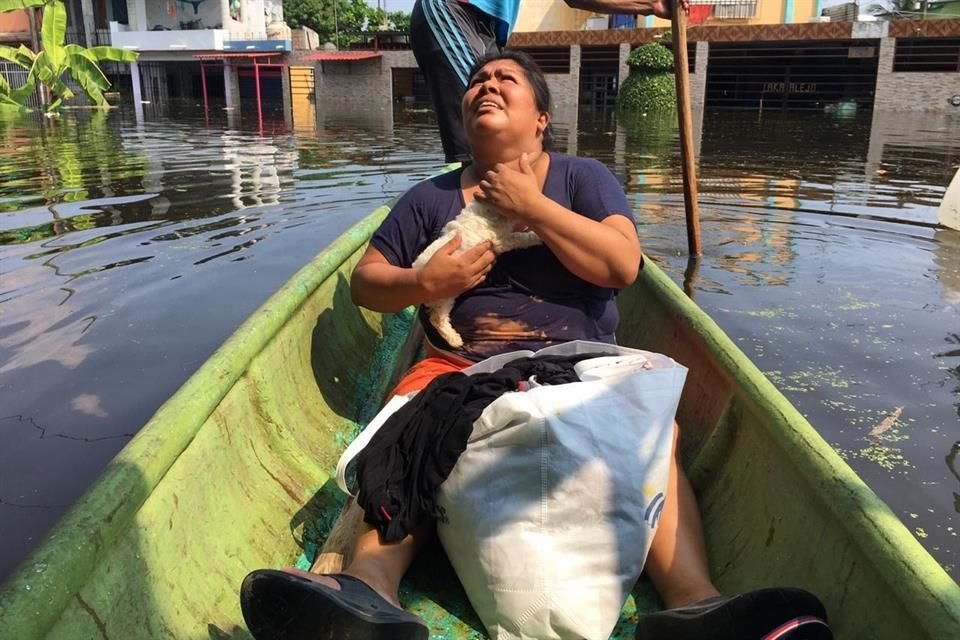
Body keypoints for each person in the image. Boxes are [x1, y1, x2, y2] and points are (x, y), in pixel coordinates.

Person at [240, 51, 832, 640]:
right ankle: (370, 587)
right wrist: (425, 284)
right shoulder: (430, 199)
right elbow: (368, 282)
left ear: (541, 118)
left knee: (659, 429)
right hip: (459, 363)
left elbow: (622, 264)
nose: (486, 86)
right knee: (406, 430)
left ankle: (693, 601)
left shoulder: (581, 178)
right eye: (477, 82)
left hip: (583, 362)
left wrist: (534, 207)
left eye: (505, 80)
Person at [411, 0, 689, 163]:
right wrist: (652, 4)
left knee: (536, 139)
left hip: (487, 30)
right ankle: (471, 231)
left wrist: (652, 4)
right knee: (481, 136)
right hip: (452, 11)